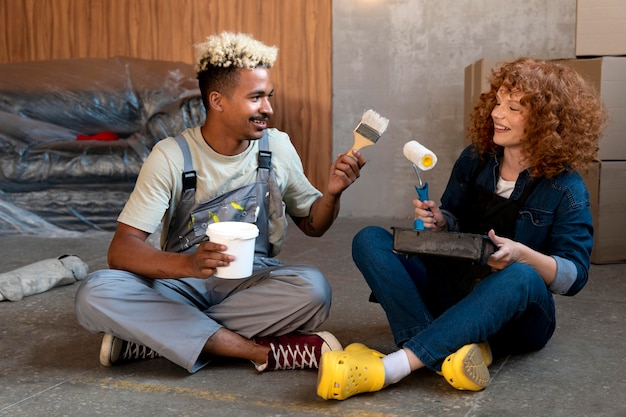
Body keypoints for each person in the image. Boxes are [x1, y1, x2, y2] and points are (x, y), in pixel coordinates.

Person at [316, 58, 607, 400]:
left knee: (523, 276)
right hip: (456, 290)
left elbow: (575, 276)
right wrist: (441, 221)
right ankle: (447, 351)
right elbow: (453, 218)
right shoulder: (475, 159)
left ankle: (394, 366)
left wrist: (522, 256)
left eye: (513, 108)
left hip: (515, 316)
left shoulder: (567, 189)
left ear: (547, 121)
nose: (497, 114)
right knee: (370, 240)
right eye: (497, 102)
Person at [75, 32, 366, 374]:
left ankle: (154, 339)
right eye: (256, 97)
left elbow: (313, 225)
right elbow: (122, 250)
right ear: (217, 101)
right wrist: (190, 267)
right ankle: (257, 352)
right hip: (179, 283)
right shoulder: (172, 156)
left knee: (313, 290)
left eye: (269, 96)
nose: (268, 108)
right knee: (96, 291)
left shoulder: (276, 148)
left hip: (251, 280)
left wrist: (332, 193)